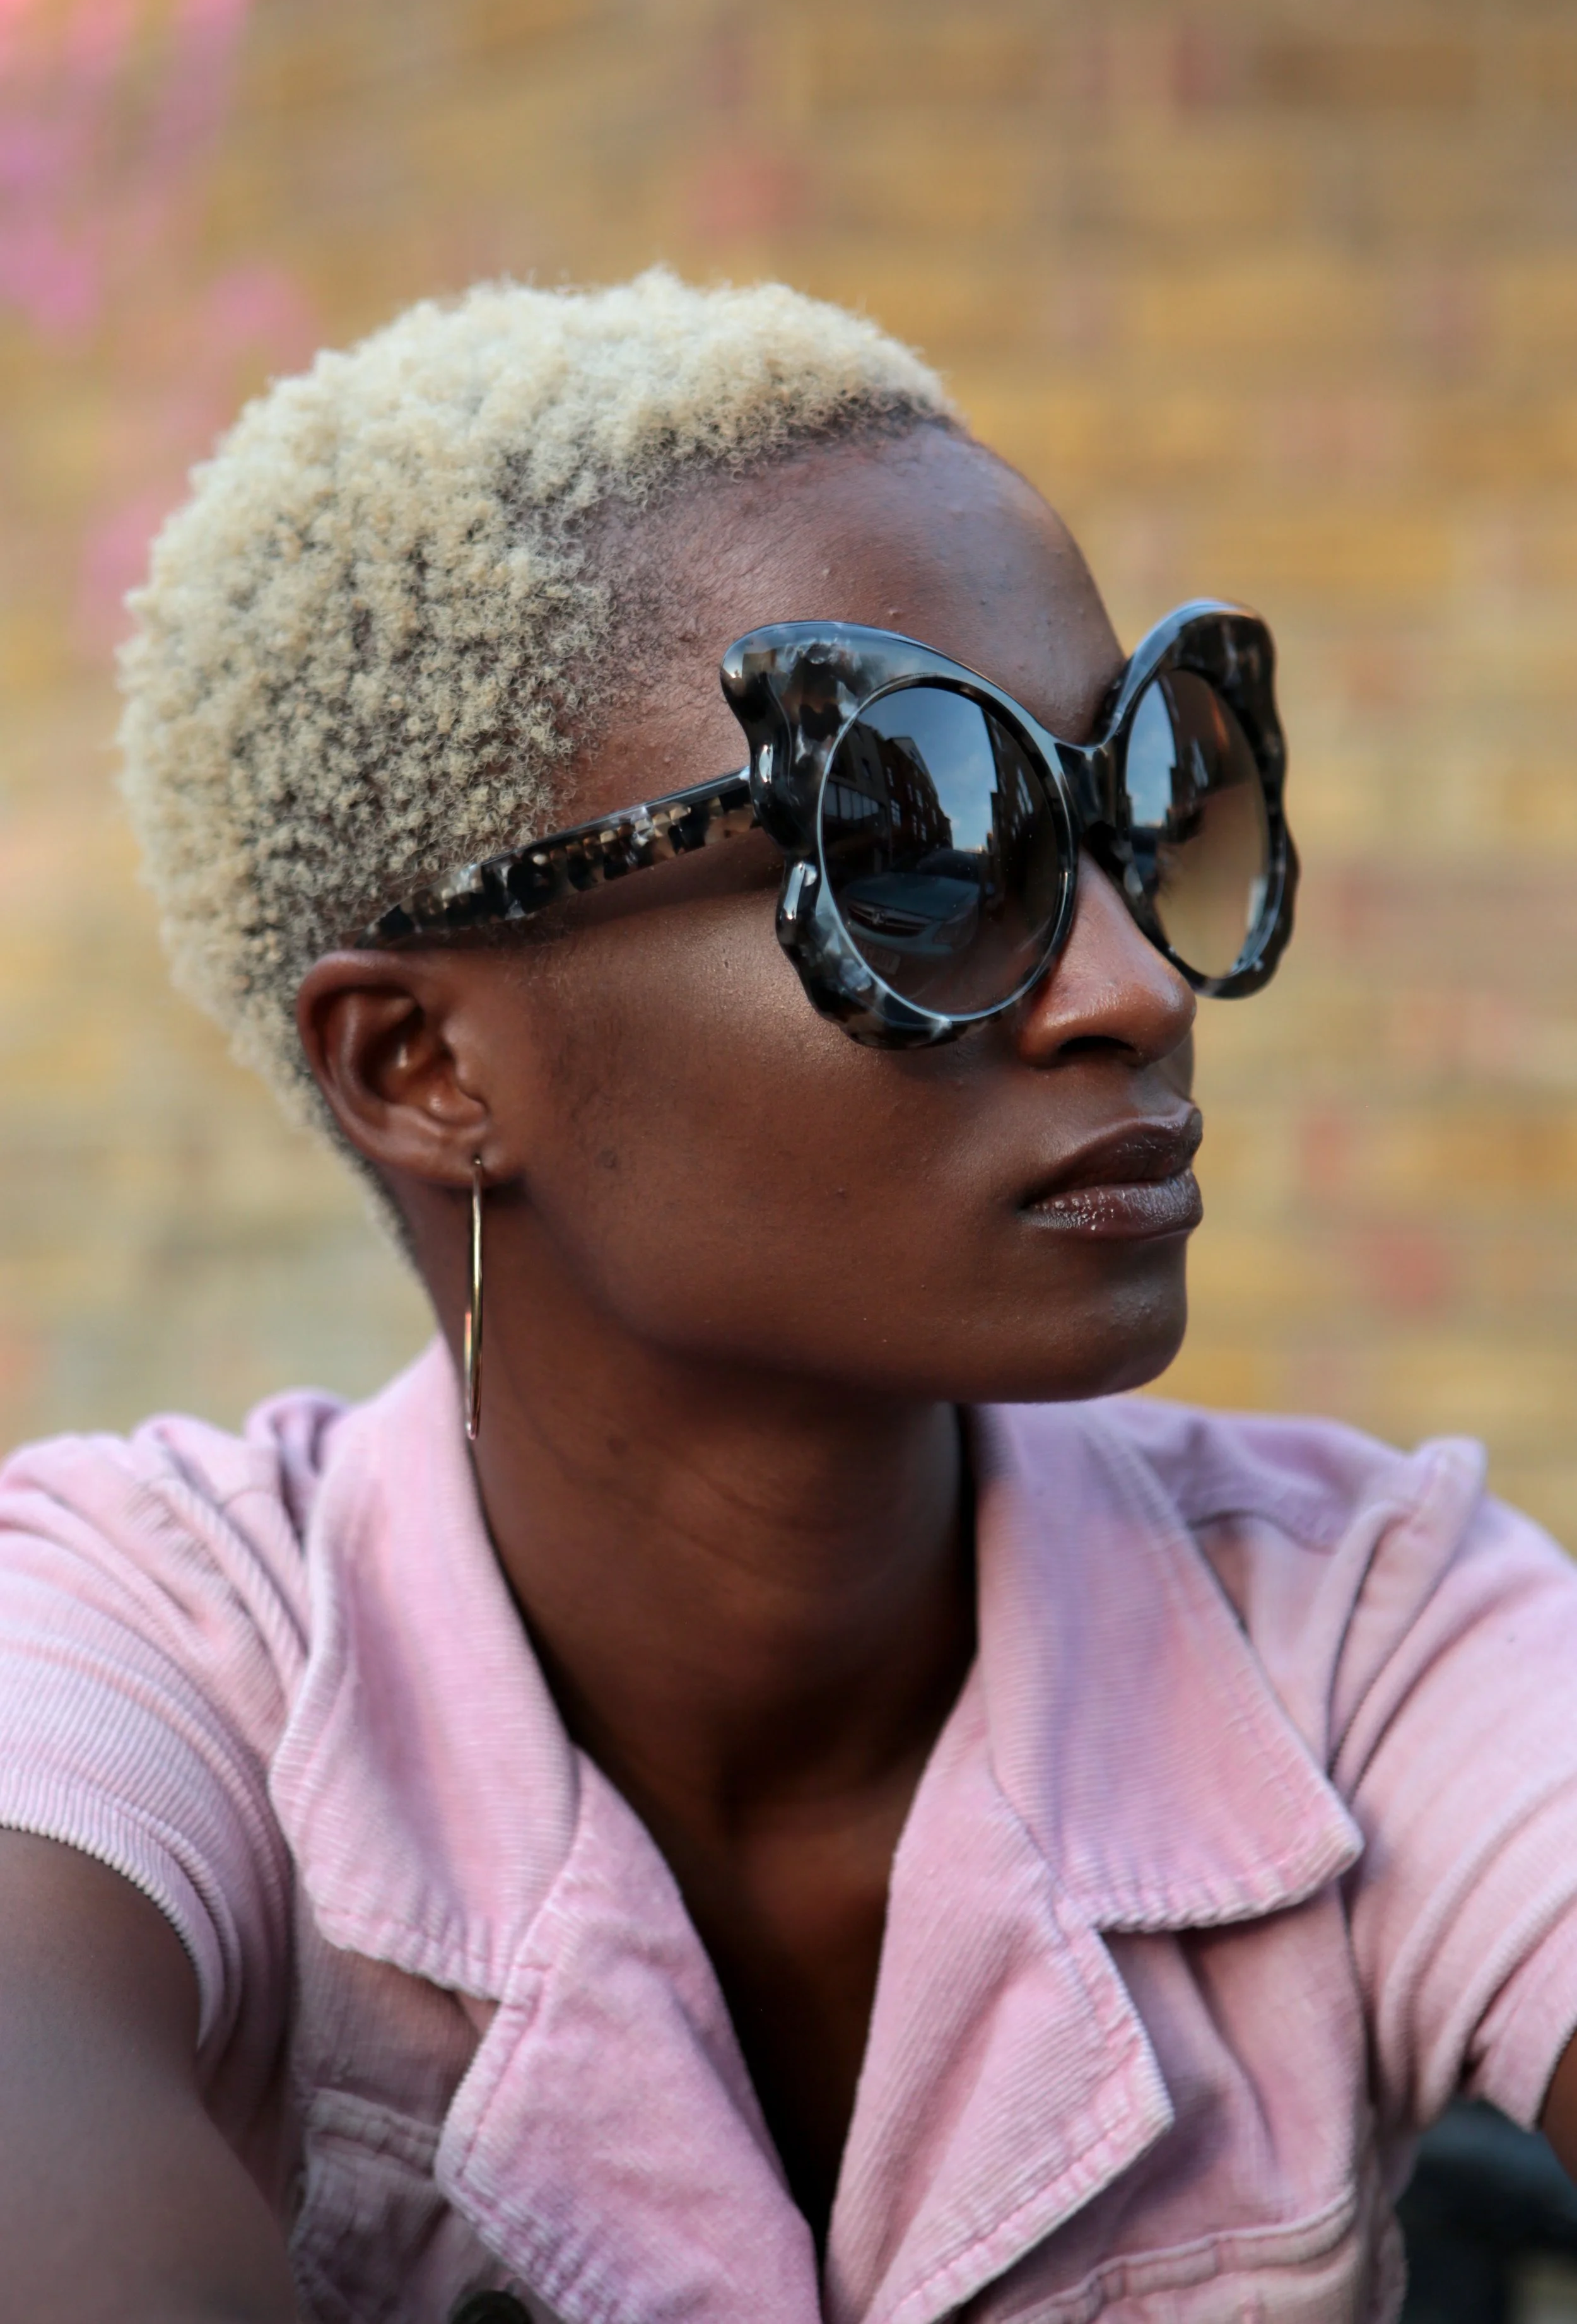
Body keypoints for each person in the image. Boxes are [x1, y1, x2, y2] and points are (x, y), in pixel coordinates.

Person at [3, 271, 1577, 2324]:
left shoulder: (1369, 1631)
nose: (1132, 986)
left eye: (1141, 800)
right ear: (423, 1064)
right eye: (921, 849)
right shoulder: (147, 1653)